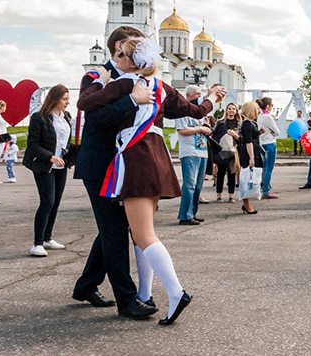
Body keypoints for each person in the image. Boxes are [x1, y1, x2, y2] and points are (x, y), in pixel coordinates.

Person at [77, 36, 225, 325]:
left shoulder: (124, 83)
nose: (115, 59)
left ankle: (175, 292)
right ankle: (143, 293)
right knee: (136, 231)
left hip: (136, 159)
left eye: (119, 55)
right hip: (159, 157)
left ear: (130, 60)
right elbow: (194, 111)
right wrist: (211, 99)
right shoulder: (161, 86)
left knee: (143, 235)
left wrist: (103, 82)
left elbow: (85, 104)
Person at [72, 26, 158, 319]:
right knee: (115, 231)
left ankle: (86, 285)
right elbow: (94, 119)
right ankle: (127, 299)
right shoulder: (96, 76)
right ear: (120, 45)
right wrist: (132, 100)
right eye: (137, 44)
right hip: (99, 163)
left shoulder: (135, 77)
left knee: (113, 228)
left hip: (120, 164)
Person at [23, 85, 73, 257]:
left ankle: (47, 239)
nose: (68, 102)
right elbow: (33, 144)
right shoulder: (39, 117)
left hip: (61, 166)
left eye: (68, 99)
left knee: (56, 203)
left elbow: (65, 143)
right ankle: (37, 243)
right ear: (55, 98)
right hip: (45, 166)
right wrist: (50, 156)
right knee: (47, 202)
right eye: (65, 99)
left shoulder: (65, 117)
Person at [176, 85, 213, 225]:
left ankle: (192, 212)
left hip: (202, 151)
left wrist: (206, 128)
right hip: (190, 152)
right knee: (189, 185)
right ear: (188, 96)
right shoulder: (182, 111)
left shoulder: (199, 113)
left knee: (198, 186)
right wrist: (200, 128)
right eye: (197, 95)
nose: (200, 97)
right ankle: (185, 216)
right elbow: (182, 130)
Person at [212, 103, 242, 203]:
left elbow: (242, 139)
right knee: (220, 173)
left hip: (233, 152)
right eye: (229, 108)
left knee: (232, 173)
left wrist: (234, 135)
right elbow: (214, 135)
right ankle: (219, 195)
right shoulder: (221, 123)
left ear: (236, 111)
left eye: (233, 109)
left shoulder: (239, 124)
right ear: (226, 110)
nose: (231, 110)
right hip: (222, 151)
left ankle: (231, 195)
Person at [238, 101, 261, 215]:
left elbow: (253, 136)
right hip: (248, 153)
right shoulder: (247, 124)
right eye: (256, 108)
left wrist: (259, 132)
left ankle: (246, 203)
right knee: (247, 178)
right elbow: (248, 142)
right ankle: (246, 204)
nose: (258, 110)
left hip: (253, 151)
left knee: (250, 177)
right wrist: (251, 157)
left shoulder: (252, 123)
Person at [256, 97, 279, 199]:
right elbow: (277, 131)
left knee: (264, 168)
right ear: (268, 106)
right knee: (269, 168)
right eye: (271, 105)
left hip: (262, 143)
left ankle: (265, 187)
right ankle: (266, 190)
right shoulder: (268, 117)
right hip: (270, 143)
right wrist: (273, 132)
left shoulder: (259, 116)